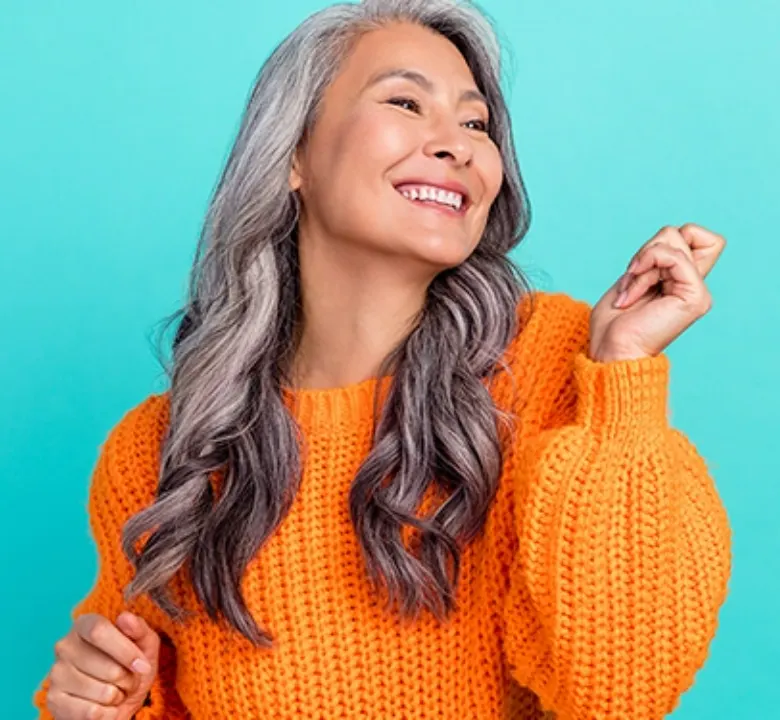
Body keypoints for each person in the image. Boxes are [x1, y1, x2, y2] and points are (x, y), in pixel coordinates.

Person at [33, 0, 731, 718]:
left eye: (476, 123)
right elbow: (138, 690)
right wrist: (99, 705)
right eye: (406, 101)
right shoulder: (161, 451)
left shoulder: (557, 365)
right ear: (294, 153)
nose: (457, 145)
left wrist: (622, 382)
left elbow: (623, 688)